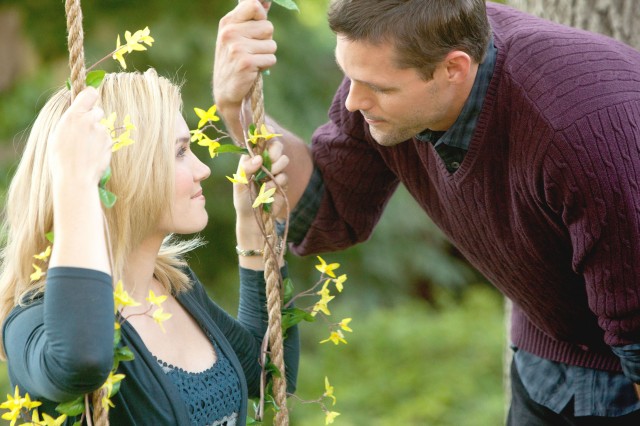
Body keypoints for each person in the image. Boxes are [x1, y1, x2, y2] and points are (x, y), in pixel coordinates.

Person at [213, 0, 640, 424]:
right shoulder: (397, 55)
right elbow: (327, 208)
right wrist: (238, 110)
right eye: (350, 77)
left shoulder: (583, 131)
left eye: (377, 88)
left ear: (453, 68)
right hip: (549, 351)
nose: (351, 103)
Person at [0, 69, 298, 425]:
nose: (202, 169)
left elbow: (269, 373)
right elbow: (80, 363)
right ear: (125, 170)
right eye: (180, 152)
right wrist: (77, 181)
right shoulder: (32, 320)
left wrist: (252, 231)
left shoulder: (175, 286)